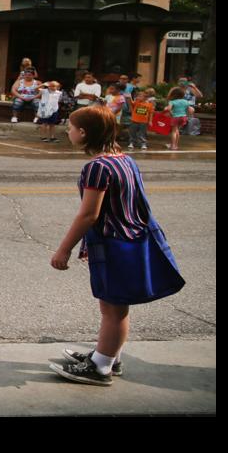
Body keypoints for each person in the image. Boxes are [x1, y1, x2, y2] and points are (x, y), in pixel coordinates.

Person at [47, 106, 181, 386]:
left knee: (113, 309)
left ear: (83, 133)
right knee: (115, 308)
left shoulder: (97, 167)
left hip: (114, 245)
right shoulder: (124, 159)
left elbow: (89, 214)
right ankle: (108, 355)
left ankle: (101, 367)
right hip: (130, 240)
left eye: (70, 128)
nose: (67, 132)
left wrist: (64, 249)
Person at [166, 86, 190, 150]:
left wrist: (171, 113)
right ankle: (176, 145)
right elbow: (189, 110)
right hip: (183, 117)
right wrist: (186, 116)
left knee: (174, 131)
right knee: (177, 130)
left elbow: (168, 109)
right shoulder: (186, 101)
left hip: (175, 117)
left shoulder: (172, 102)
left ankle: (173, 146)